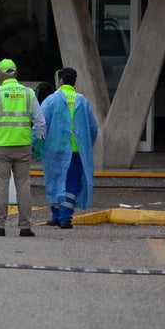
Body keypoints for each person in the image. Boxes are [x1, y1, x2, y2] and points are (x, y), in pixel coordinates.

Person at [0, 58, 46, 237]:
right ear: (16, 73)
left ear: (0, 74)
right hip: (23, 145)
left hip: (1, 146)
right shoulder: (29, 93)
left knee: (1, 186)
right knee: (23, 185)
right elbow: (40, 121)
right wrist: (39, 142)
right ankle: (25, 226)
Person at [41, 67, 98, 229]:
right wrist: (87, 145)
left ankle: (57, 215)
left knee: (54, 180)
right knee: (72, 184)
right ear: (74, 82)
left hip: (55, 149)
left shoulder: (51, 100)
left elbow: (41, 124)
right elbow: (93, 128)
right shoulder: (82, 101)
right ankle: (65, 217)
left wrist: (37, 143)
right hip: (76, 150)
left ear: (60, 81)